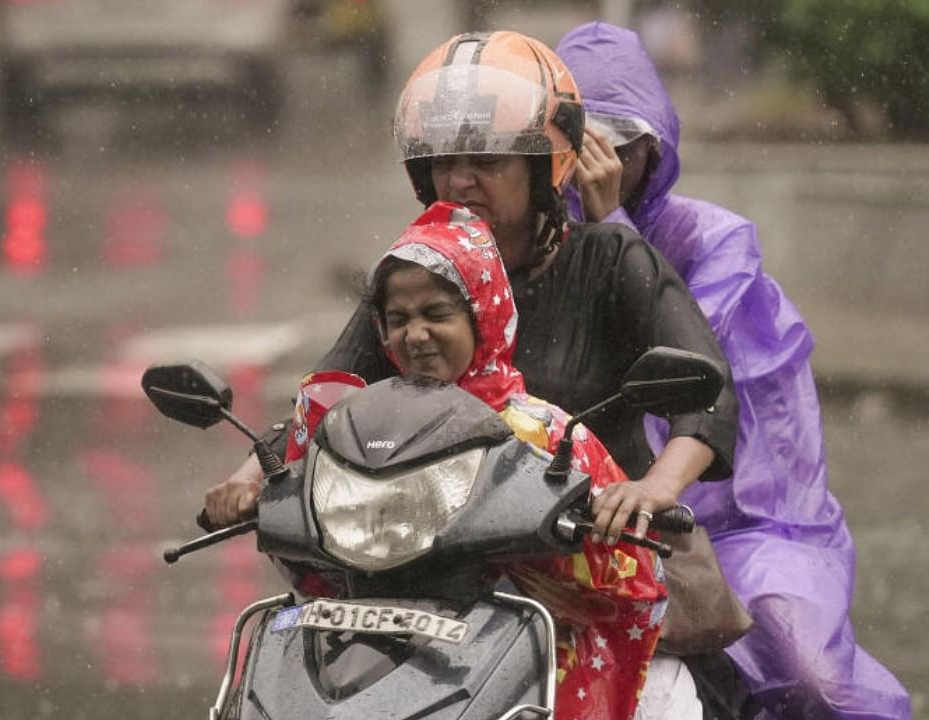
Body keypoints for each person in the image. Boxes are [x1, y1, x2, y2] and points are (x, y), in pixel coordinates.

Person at [205, 30, 738, 551]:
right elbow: (329, 392)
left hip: (594, 558)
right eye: (444, 163)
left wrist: (654, 488)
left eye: (486, 162)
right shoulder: (415, 270)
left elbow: (708, 393)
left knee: (673, 644)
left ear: (541, 167)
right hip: (429, 552)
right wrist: (251, 473)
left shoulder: (612, 258)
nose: (460, 181)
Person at [556, 21, 911, 720]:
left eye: (615, 150)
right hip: (587, 518)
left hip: (747, 523)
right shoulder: (534, 238)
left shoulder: (712, 244)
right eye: (575, 151)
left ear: (652, 150)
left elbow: (687, 350)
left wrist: (613, 230)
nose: (594, 171)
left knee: (814, 683)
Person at [283, 200, 687, 720]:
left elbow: (634, 579)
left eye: (436, 314)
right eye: (398, 319)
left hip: (524, 667)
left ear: (484, 313)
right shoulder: (355, 427)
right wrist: (264, 492)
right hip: (373, 655)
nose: (416, 335)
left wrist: (592, 535)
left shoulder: (544, 431)